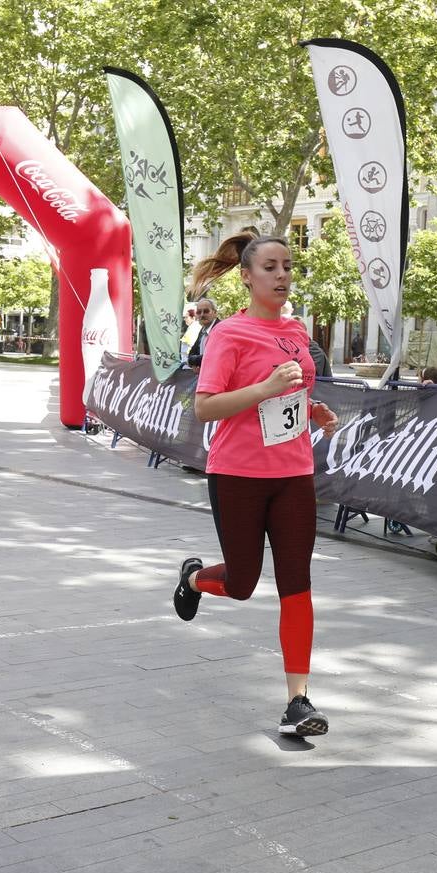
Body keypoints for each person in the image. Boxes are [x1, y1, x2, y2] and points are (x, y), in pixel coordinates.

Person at [172, 230, 340, 737]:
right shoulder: (229, 334)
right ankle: (195, 578)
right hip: (238, 475)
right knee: (243, 585)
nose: (283, 275)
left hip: (293, 474)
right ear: (246, 277)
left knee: (297, 583)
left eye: (287, 266)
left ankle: (299, 701)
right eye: (270, 267)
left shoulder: (295, 330)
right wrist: (265, 387)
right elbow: (205, 407)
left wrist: (312, 411)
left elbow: (290, 396)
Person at [186, 298, 218, 369]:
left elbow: (213, 357)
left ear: (215, 313)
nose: (202, 314)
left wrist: (195, 362)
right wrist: (194, 363)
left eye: (206, 311)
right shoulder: (203, 330)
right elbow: (192, 353)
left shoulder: (220, 329)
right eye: (199, 312)